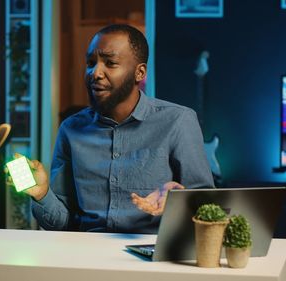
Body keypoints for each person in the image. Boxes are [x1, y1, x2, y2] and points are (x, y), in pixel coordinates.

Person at [20, 24, 213, 233]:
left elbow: (209, 209)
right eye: (90, 63)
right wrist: (41, 194)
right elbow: (63, 224)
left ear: (139, 73)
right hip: (88, 256)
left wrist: (179, 201)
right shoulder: (71, 129)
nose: (95, 73)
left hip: (153, 255)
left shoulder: (178, 121)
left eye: (110, 63)